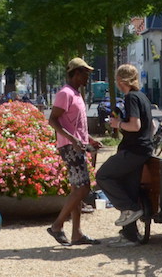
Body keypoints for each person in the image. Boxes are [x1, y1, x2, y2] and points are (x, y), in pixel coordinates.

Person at [46, 57, 102, 246]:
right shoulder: (66, 93)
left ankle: (76, 234)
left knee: (77, 189)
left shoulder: (76, 94)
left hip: (77, 145)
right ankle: (56, 226)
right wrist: (72, 139)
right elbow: (53, 120)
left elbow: (76, 124)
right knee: (83, 187)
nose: (88, 77)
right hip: (70, 147)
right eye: (85, 73)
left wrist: (89, 140)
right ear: (76, 73)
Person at [96, 63, 153, 244]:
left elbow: (135, 126)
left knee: (103, 176)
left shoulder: (131, 98)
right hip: (143, 149)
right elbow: (150, 126)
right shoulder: (143, 97)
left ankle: (129, 208)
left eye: (117, 79)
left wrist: (117, 124)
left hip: (133, 150)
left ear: (121, 80)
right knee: (129, 189)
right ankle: (130, 234)